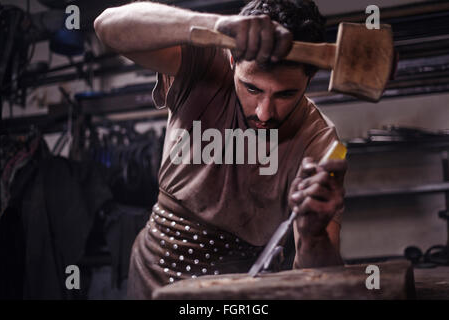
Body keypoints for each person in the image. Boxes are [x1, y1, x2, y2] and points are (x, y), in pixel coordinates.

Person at [94, 0, 347, 299]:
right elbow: (108, 27)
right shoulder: (202, 68)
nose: (265, 113)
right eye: (252, 89)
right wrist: (215, 27)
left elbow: (317, 280)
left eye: (286, 94)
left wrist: (313, 236)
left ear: (310, 79)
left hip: (241, 294)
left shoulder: (321, 144)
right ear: (230, 59)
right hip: (153, 275)